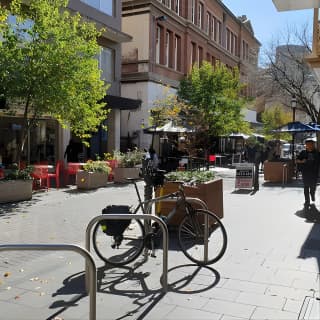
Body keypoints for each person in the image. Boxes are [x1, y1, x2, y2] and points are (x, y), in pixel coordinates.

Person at [296, 138, 320, 210]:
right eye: (308, 144)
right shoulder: (303, 153)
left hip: (314, 173)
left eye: (311, 144)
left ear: (313, 145)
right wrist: (301, 161)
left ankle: (312, 194)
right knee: (306, 187)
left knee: (313, 186)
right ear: (306, 145)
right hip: (305, 172)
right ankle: (307, 201)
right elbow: (297, 160)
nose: (309, 146)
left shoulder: (317, 153)